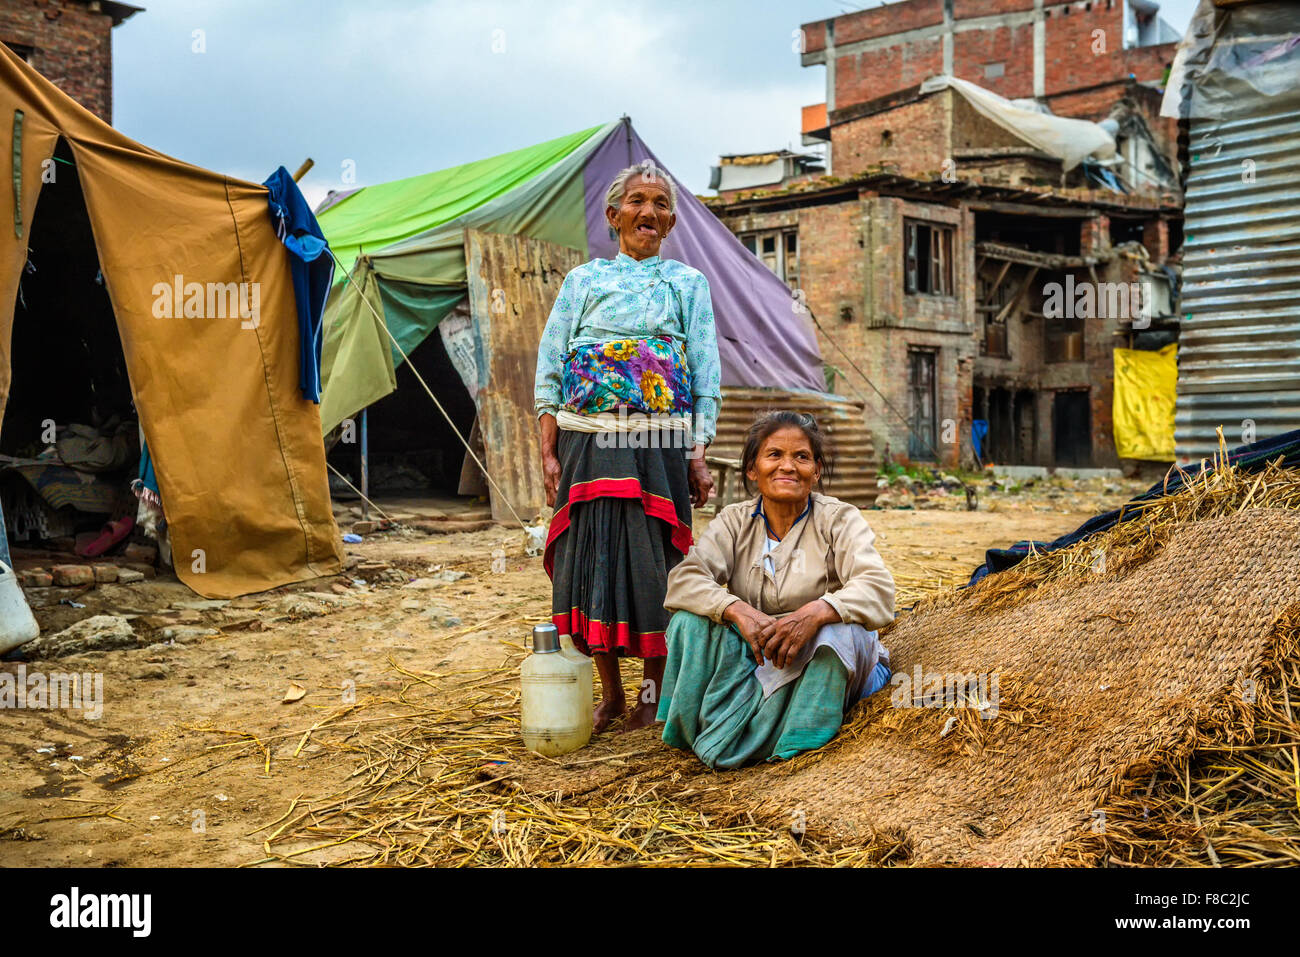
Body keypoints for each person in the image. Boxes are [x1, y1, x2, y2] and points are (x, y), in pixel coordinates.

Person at [535, 163, 720, 733]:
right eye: (636, 201)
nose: (648, 212)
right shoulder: (582, 281)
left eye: (660, 203)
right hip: (586, 442)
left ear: (669, 220)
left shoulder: (686, 283)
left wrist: (697, 450)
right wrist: (547, 450)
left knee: (653, 561)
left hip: (658, 443)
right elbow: (551, 364)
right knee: (592, 560)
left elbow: (705, 367)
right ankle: (612, 694)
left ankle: (653, 694)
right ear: (613, 216)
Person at [657, 411, 895, 769]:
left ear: (816, 471)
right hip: (756, 653)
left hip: (814, 656)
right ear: (753, 469)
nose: (788, 466)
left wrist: (815, 613)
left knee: (840, 636)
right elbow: (686, 578)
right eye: (774, 455)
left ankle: (798, 737)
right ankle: (716, 729)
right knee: (688, 624)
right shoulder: (735, 521)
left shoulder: (839, 519)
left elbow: (877, 587)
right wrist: (736, 610)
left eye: (801, 457)